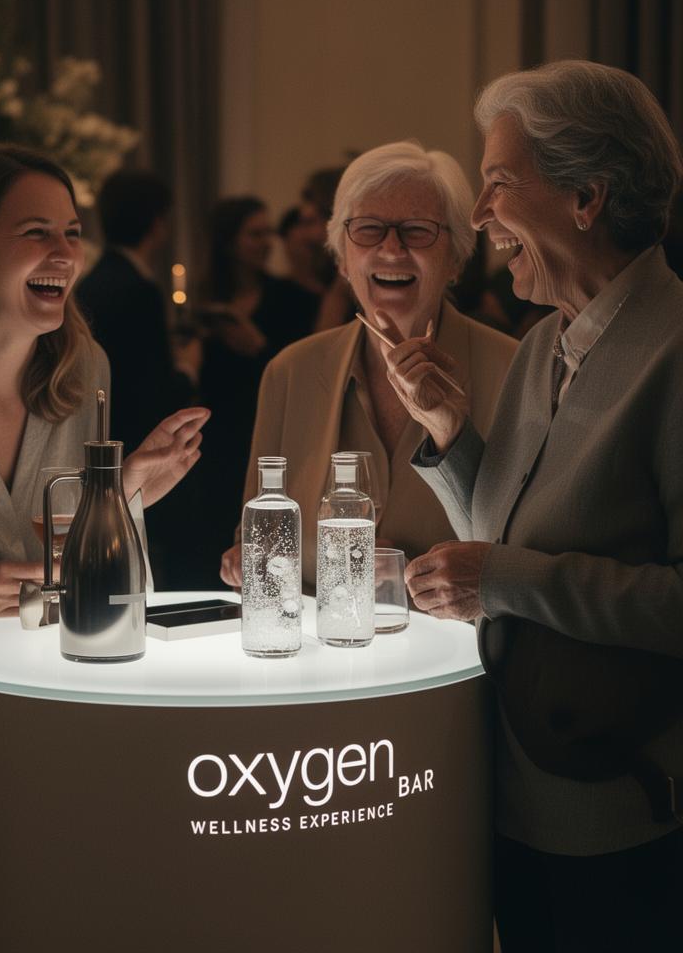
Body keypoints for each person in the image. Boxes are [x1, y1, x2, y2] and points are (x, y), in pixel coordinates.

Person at [383, 61, 683, 949]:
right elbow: (498, 537)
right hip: (513, 789)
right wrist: (447, 435)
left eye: (499, 184)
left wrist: (506, 579)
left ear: (587, 197)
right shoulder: (542, 345)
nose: (478, 217)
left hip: (623, 810)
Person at [0, 144, 208, 824]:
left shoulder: (85, 373)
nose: (64, 253)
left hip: (55, 705)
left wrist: (125, 490)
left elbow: (77, 563)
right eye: (35, 233)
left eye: (73, 234)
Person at [220, 141, 517, 589]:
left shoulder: (518, 370)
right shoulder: (290, 371)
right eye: (368, 229)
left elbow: (523, 551)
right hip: (322, 650)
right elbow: (258, 539)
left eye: (417, 230)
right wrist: (246, 558)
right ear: (341, 258)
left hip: (464, 654)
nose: (392, 249)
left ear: (456, 258)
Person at [198, 196, 322, 572]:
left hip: (265, 434)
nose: (267, 242)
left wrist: (258, 347)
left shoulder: (293, 299)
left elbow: (304, 377)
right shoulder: (206, 300)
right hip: (215, 441)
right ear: (228, 241)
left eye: (268, 232)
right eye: (255, 234)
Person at [75, 169, 197, 452]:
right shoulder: (140, 290)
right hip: (133, 441)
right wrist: (189, 368)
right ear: (158, 224)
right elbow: (152, 392)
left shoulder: (92, 281)